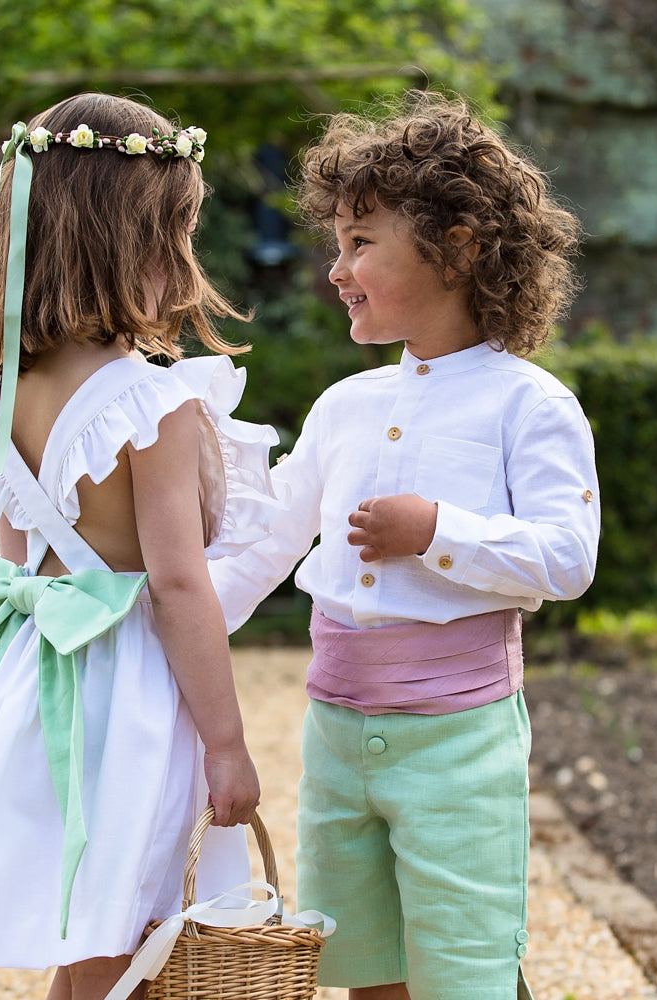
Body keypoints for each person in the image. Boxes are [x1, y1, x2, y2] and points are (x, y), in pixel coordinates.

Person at [208, 91, 601, 1000]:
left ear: (456, 247)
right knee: (358, 959)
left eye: (359, 242)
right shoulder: (344, 407)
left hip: (459, 744)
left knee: (463, 965)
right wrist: (169, 627)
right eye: (335, 244)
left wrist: (436, 534)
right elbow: (265, 542)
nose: (336, 268)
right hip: (334, 733)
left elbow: (566, 556)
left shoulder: (527, 403)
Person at [0, 92, 282, 1000]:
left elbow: (18, 563)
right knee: (131, 931)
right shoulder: (152, 403)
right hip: (130, 692)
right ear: (127, 246)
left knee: (88, 928)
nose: (182, 264)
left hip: (39, 676)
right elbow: (177, 587)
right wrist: (226, 744)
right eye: (173, 236)